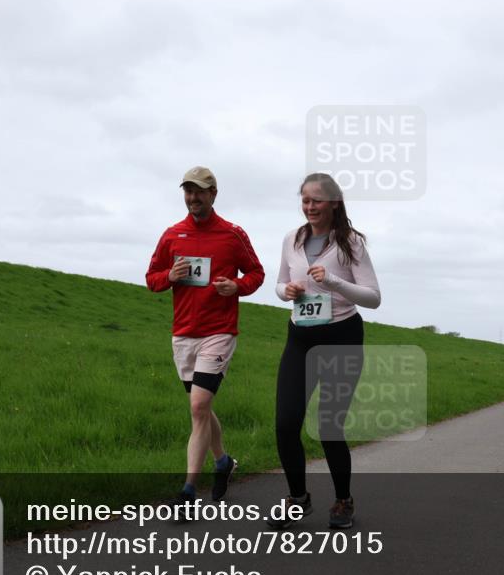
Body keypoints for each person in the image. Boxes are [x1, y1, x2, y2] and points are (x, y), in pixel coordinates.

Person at [145, 166, 265, 515]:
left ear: (214, 194)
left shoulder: (232, 234)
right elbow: (151, 279)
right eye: (188, 191)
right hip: (183, 334)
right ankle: (223, 461)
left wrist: (237, 287)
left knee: (198, 407)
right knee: (202, 408)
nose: (193, 198)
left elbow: (256, 273)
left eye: (199, 191)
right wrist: (170, 275)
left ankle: (187, 492)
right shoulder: (172, 235)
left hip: (219, 331)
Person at [269, 173, 381, 530]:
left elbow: (373, 298)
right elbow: (280, 282)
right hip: (300, 337)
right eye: (305, 200)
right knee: (286, 423)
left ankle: (343, 499)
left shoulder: (351, 242)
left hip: (341, 337)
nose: (310, 207)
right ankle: (298, 498)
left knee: (329, 425)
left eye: (316, 200)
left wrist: (332, 281)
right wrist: (287, 291)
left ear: (334, 202)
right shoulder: (292, 238)